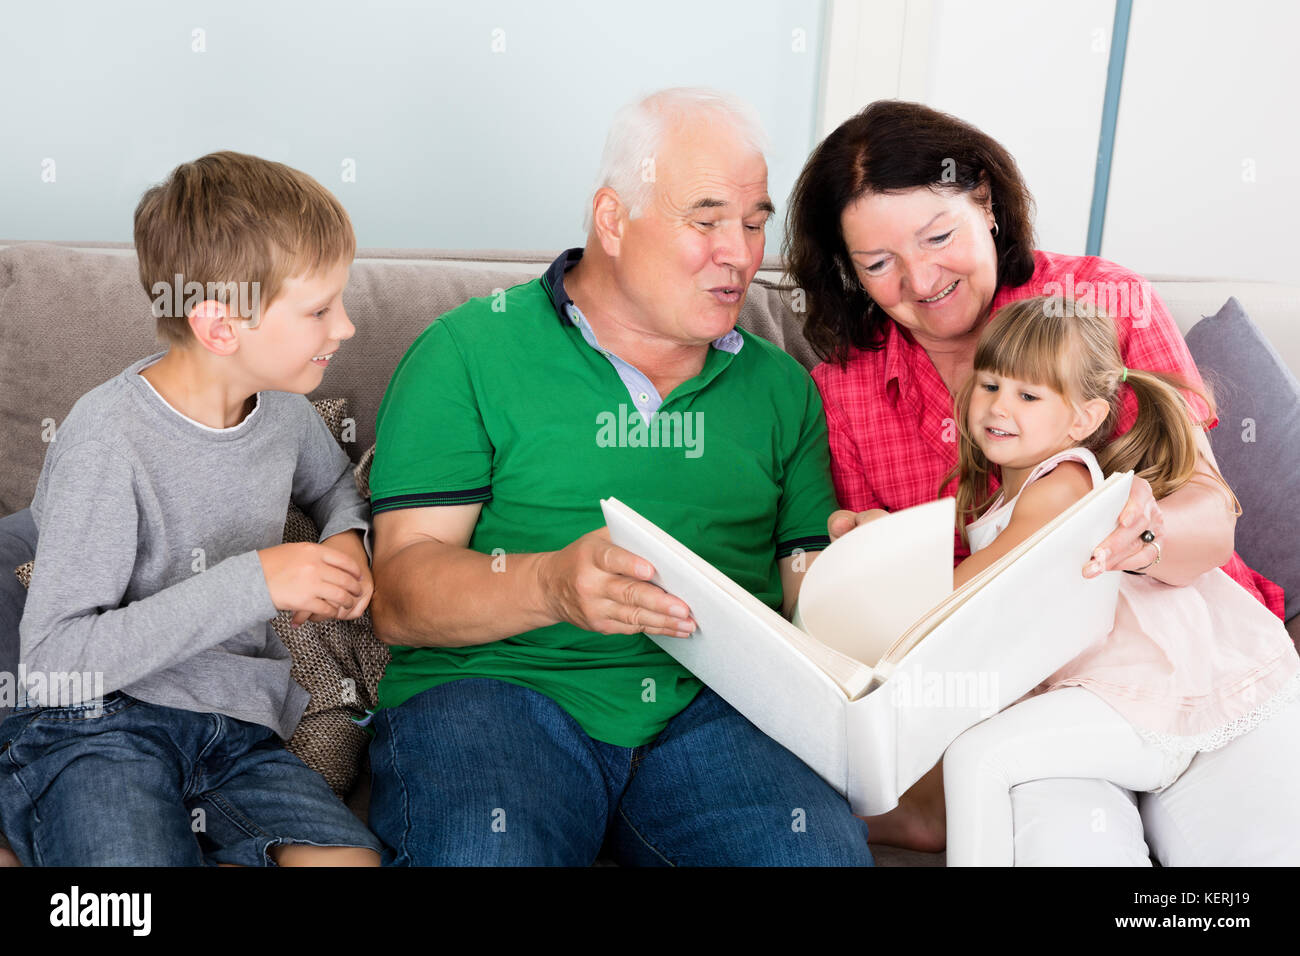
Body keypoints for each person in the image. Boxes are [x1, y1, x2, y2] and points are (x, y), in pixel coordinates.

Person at [364, 88, 873, 866]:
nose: (738, 253)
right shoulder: (467, 352)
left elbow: (807, 600)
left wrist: (864, 577)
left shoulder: (782, 390)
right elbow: (398, 599)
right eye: (705, 220)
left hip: (719, 711)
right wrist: (550, 585)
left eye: (754, 221)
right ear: (612, 218)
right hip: (498, 693)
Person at [785, 99, 1290, 865]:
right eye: (878, 265)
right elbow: (913, 616)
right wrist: (863, 568)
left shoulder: (1103, 301)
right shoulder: (846, 387)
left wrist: (1143, 534)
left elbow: (1209, 514)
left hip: (1201, 663)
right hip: (1038, 694)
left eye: (939, 237)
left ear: (985, 202)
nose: (920, 281)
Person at [0, 152, 382, 866]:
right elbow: (52, 661)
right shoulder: (107, 441)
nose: (347, 328)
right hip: (100, 727)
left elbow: (335, 487)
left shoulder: (285, 415)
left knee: (349, 862)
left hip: (237, 731)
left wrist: (346, 541)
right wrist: (257, 581)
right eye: (321, 309)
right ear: (219, 328)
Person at [937, 295, 1300, 865]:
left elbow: (966, 595)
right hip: (1119, 703)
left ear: (1083, 420)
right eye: (988, 385)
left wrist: (889, 587)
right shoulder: (1009, 492)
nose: (998, 407)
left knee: (976, 758)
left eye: (1028, 395)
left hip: (1143, 702)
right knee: (982, 757)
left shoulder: (1060, 485)